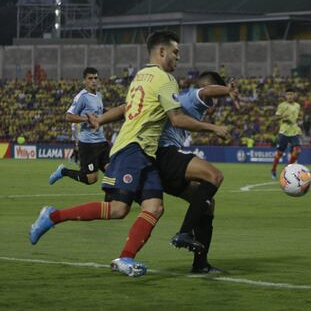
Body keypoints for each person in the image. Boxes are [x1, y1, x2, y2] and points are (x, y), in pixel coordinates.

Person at [29, 31, 230, 278]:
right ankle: (53, 216)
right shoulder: (165, 79)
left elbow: (128, 108)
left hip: (145, 154)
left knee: (154, 207)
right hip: (131, 148)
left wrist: (100, 119)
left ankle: (125, 258)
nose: (179, 57)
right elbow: (176, 118)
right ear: (162, 52)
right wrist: (214, 128)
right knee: (117, 209)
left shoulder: (141, 77)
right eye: (176, 52)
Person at [93, 71, 238, 273]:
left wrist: (100, 119)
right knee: (214, 176)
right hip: (163, 153)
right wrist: (227, 91)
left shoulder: (172, 99)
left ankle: (200, 265)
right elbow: (207, 90)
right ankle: (184, 233)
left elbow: (124, 109)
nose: (213, 104)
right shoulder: (192, 97)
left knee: (206, 205)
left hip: (159, 163)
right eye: (215, 100)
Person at [48, 67, 111, 186]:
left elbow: (100, 111)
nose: (93, 81)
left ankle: (115, 202)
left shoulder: (99, 96)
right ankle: (63, 171)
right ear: (84, 81)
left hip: (102, 142)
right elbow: (69, 116)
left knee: (113, 172)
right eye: (90, 78)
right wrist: (86, 119)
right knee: (91, 179)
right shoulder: (82, 97)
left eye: (95, 78)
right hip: (88, 144)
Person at [271, 88, 302, 180]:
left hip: (294, 132)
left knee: (297, 151)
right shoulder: (282, 105)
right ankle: (273, 170)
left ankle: (287, 170)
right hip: (284, 132)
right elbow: (275, 118)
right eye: (288, 94)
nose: (289, 96)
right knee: (279, 154)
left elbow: (296, 117)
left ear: (294, 95)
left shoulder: (297, 106)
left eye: (291, 94)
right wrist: (282, 116)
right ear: (285, 96)